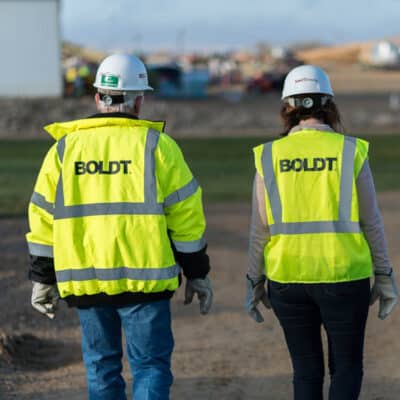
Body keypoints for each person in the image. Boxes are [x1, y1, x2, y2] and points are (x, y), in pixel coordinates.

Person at [26, 53, 213, 400]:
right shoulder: (159, 147)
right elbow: (186, 217)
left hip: (87, 280)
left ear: (98, 97)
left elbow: (41, 216)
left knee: (101, 367)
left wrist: (42, 277)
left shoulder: (65, 150)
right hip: (147, 280)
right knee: (151, 367)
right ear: (139, 99)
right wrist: (197, 272)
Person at [245, 64, 398, 400]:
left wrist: (254, 280)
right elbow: (371, 221)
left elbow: (261, 229)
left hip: (287, 279)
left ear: (287, 107)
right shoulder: (350, 150)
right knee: (346, 368)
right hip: (344, 277)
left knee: (305, 371)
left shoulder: (269, 155)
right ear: (329, 104)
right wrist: (384, 275)